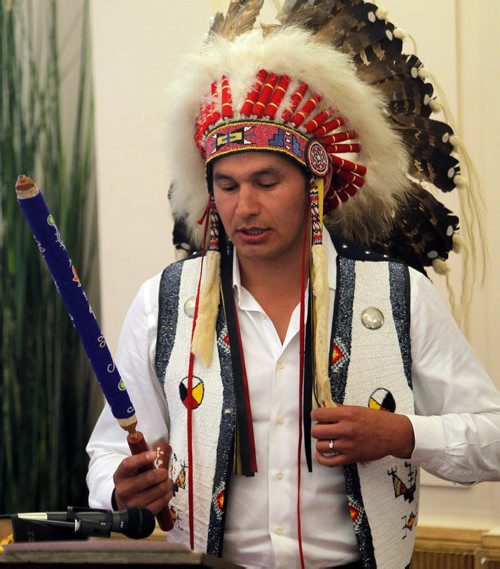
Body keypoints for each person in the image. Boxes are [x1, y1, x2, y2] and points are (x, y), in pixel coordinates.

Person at [87, 4, 500, 569]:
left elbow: (493, 440)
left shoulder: (397, 295)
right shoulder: (165, 304)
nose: (245, 206)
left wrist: (401, 433)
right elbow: (110, 449)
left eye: (266, 180)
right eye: (227, 185)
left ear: (314, 183)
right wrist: (121, 485)